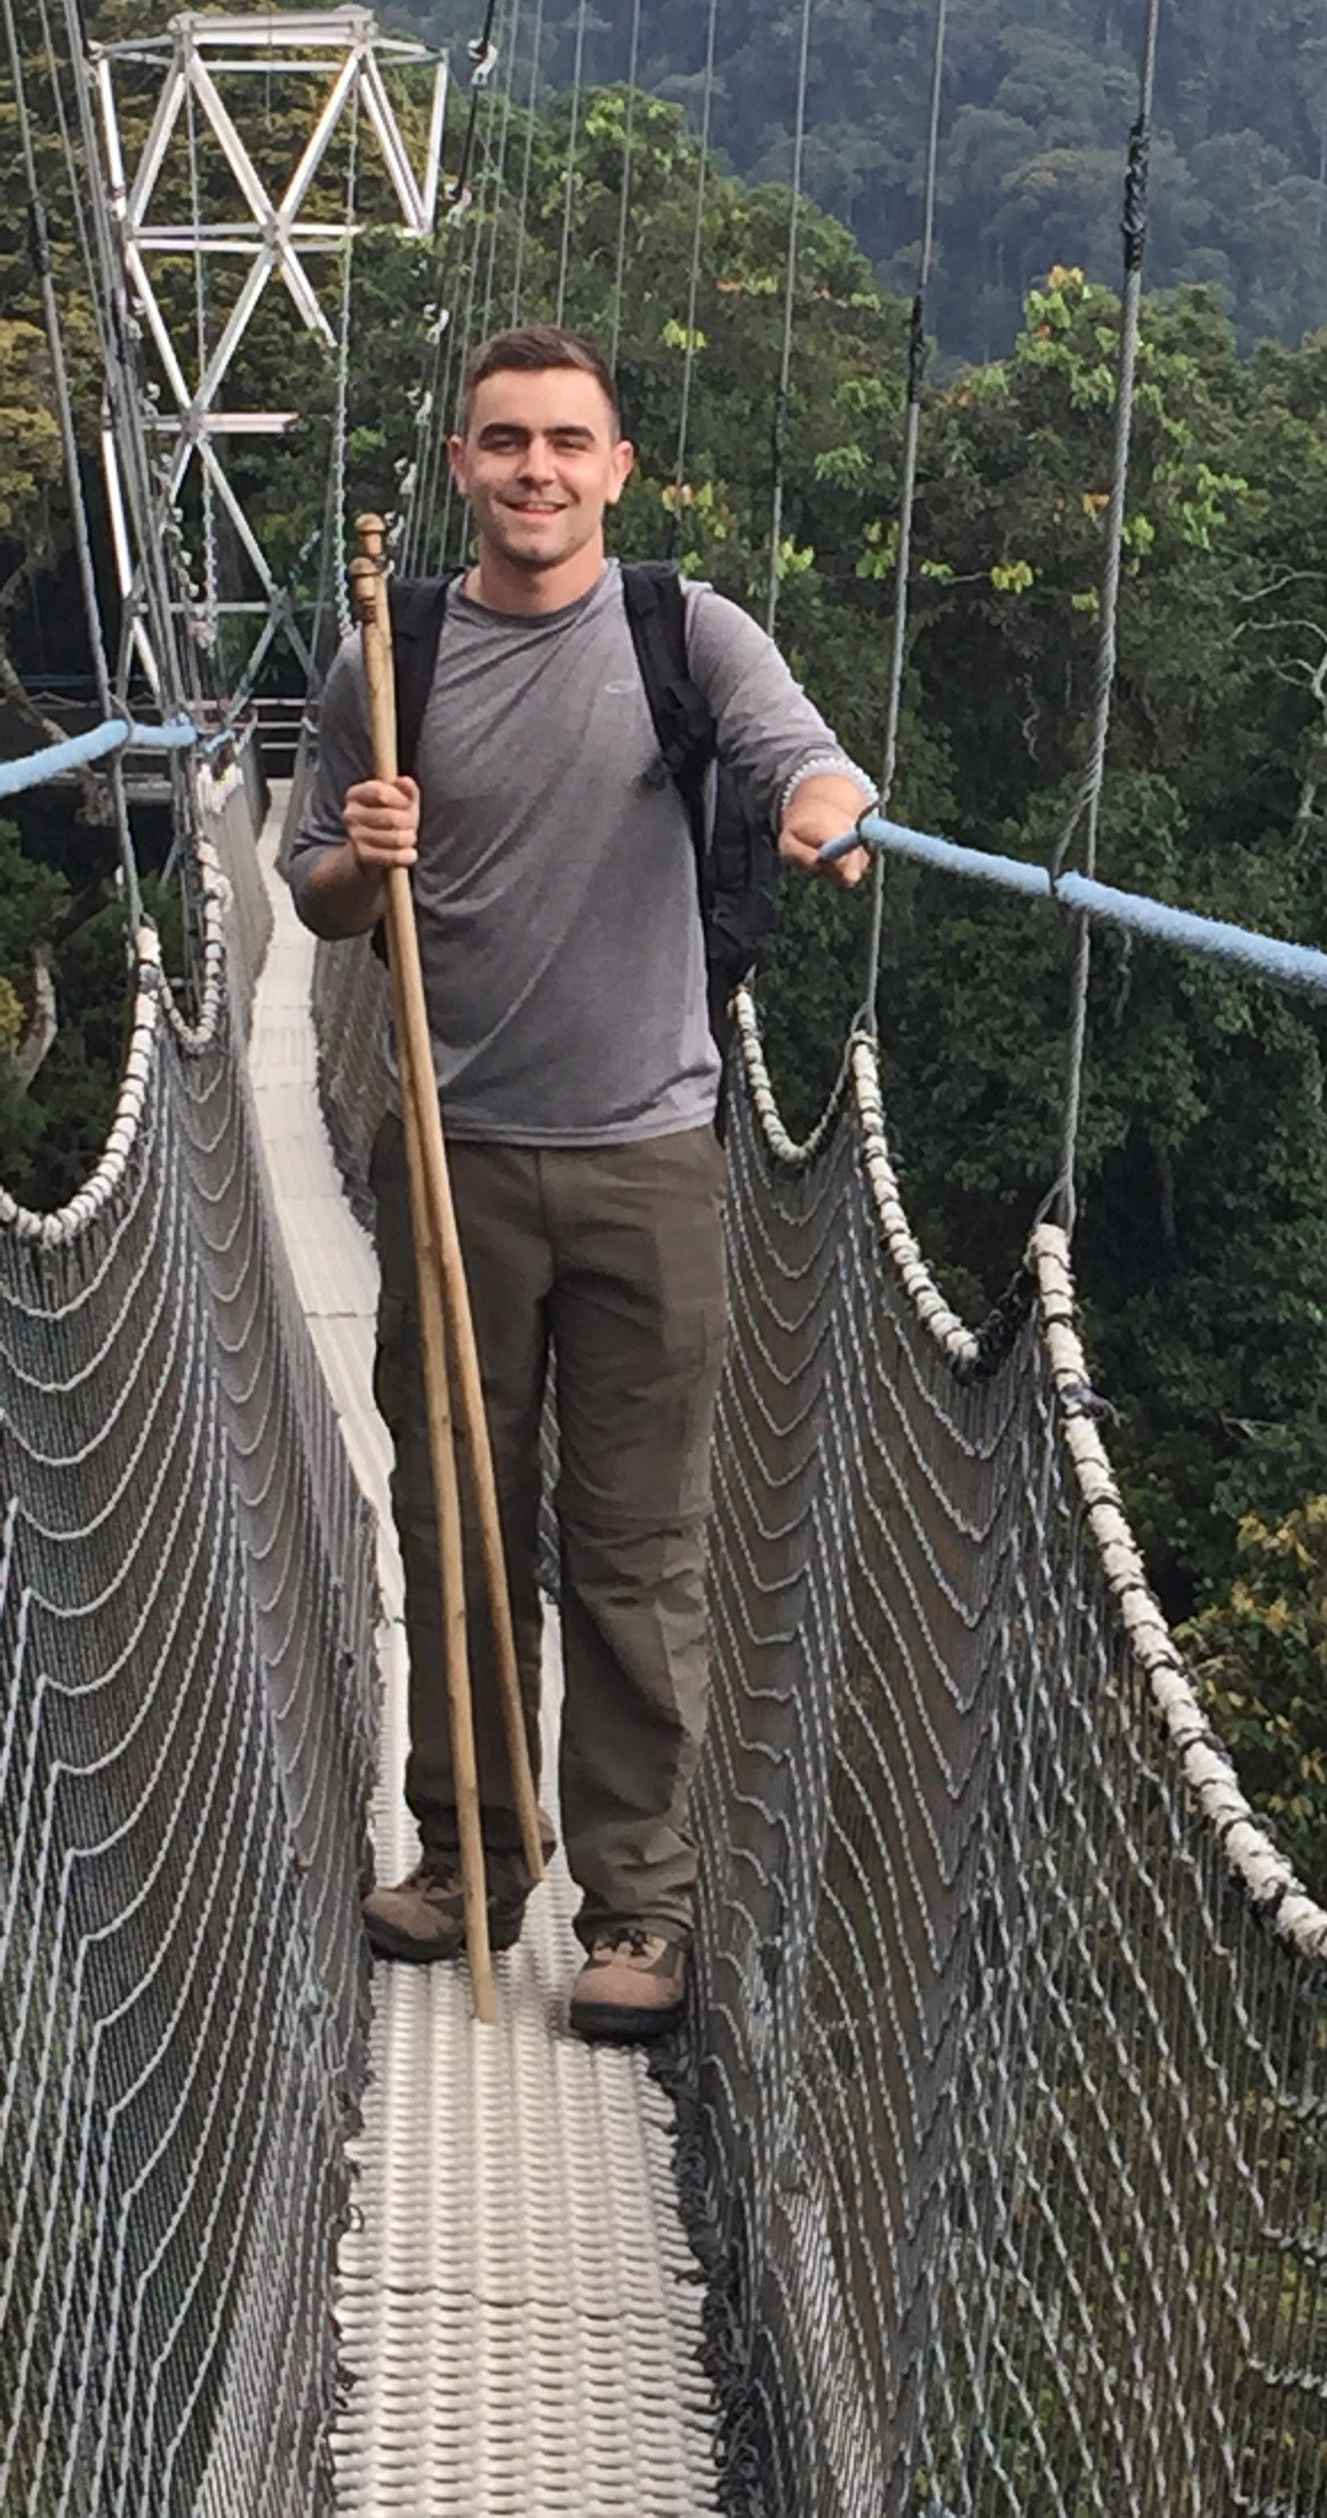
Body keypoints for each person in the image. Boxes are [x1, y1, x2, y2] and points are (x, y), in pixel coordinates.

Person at [288, 322, 873, 2042]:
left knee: (634, 1549)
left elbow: (802, 752)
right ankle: (472, 1860)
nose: (533, 468)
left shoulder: (685, 634)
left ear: (618, 468)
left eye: (565, 441)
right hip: (452, 1151)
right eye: (501, 441)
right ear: (459, 467)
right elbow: (321, 883)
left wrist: (830, 813)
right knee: (459, 1525)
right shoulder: (383, 656)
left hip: (647, 1156)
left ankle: (638, 1910)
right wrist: (350, 859)